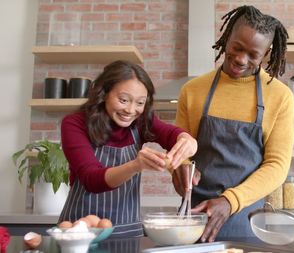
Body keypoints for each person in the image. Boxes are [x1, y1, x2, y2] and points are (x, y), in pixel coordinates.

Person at [173, 5, 294, 242]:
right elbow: (179, 145)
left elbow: (277, 165)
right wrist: (180, 167)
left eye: (253, 55)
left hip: (248, 221)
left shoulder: (280, 97)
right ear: (226, 37)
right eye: (237, 48)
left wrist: (230, 201)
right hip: (195, 219)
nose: (240, 59)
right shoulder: (193, 91)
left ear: (266, 54)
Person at [59, 60, 197, 238]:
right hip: (79, 233)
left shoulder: (140, 122)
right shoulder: (75, 124)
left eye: (140, 103)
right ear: (104, 93)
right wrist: (136, 165)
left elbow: (170, 133)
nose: (131, 110)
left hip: (128, 234)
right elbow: (91, 179)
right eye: (123, 100)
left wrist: (188, 140)